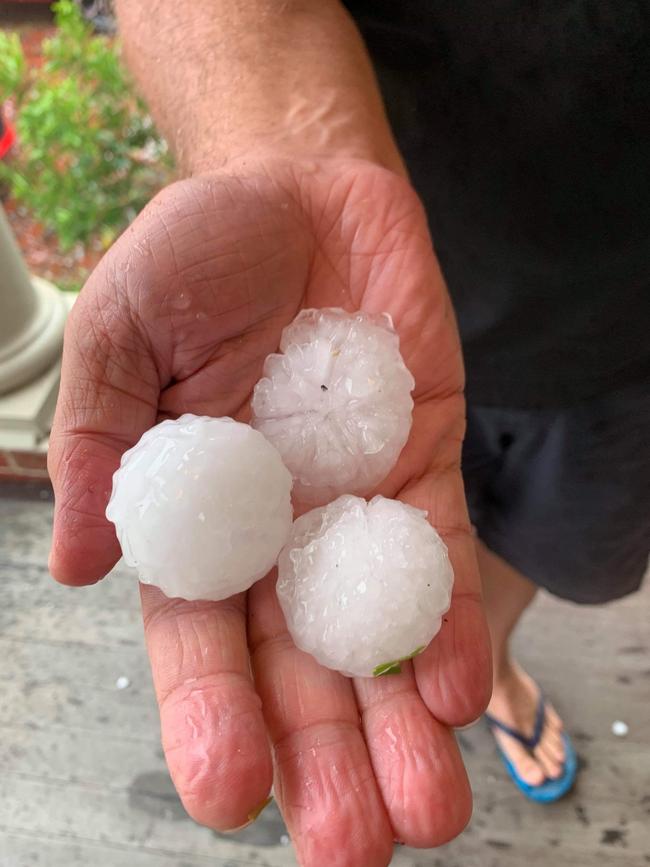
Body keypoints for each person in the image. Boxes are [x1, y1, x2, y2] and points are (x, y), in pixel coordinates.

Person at [46, 2, 649, 865]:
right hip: (373, 249)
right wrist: (274, 139)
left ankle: (503, 657)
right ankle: (498, 669)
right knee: (467, 557)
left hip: (628, 337)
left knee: (563, 553)